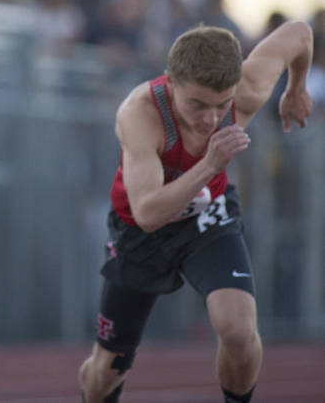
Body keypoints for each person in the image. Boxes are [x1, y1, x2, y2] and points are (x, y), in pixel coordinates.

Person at [78, 23, 314, 403]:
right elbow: (147, 213)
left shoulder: (248, 89)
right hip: (141, 235)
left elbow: (300, 34)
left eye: (222, 104)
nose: (210, 119)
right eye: (197, 104)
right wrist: (209, 163)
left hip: (207, 218)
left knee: (238, 330)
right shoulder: (140, 113)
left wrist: (295, 88)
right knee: (105, 373)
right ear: (171, 83)